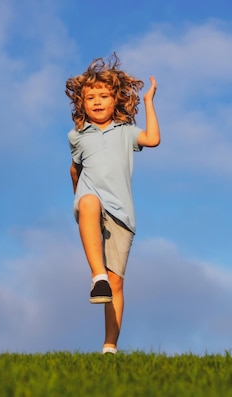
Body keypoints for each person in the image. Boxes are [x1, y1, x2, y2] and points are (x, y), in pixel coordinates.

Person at [66, 53, 160, 354]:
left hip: (122, 213)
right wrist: (78, 199)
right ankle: (97, 276)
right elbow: (74, 168)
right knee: (89, 201)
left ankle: (109, 346)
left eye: (103, 96)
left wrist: (148, 102)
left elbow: (153, 139)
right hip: (92, 203)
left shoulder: (127, 133)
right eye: (90, 97)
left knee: (117, 286)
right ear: (81, 103)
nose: (96, 101)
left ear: (115, 100)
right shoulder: (77, 136)